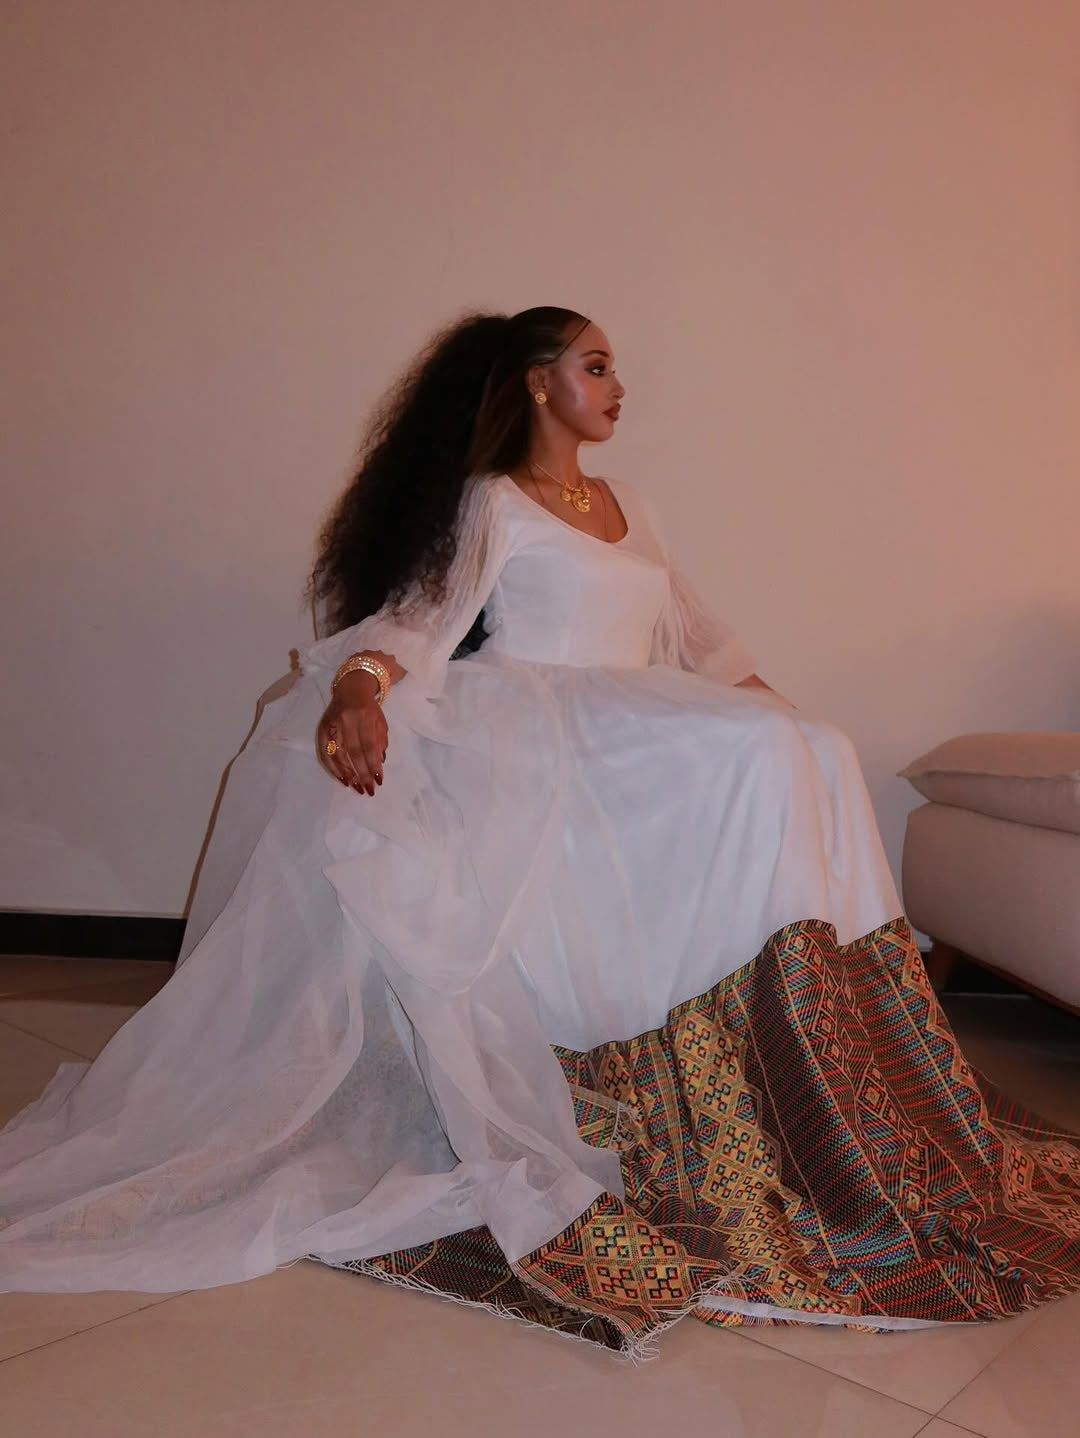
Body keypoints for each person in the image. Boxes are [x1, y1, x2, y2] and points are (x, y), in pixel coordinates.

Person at [1, 308, 1078, 1359]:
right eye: (596, 366)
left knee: (811, 747)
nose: (618, 387)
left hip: (639, 711)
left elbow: (705, 644)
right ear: (536, 382)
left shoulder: (633, 504)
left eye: (615, 370)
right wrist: (359, 691)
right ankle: (691, 1085)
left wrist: (798, 725)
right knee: (749, 755)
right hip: (541, 719)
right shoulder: (493, 501)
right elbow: (417, 620)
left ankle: (835, 1090)